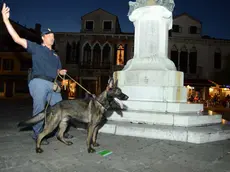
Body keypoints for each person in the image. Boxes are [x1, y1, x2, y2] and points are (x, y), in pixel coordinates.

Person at [1, 3, 72, 144]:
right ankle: (37, 134)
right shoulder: (36, 48)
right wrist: (5, 19)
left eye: (52, 35)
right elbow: (17, 39)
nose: (52, 37)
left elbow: (57, 72)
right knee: (40, 110)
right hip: (38, 82)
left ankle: (61, 132)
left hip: (53, 85)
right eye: (48, 35)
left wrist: (61, 72)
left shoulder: (56, 56)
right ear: (43, 38)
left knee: (62, 109)